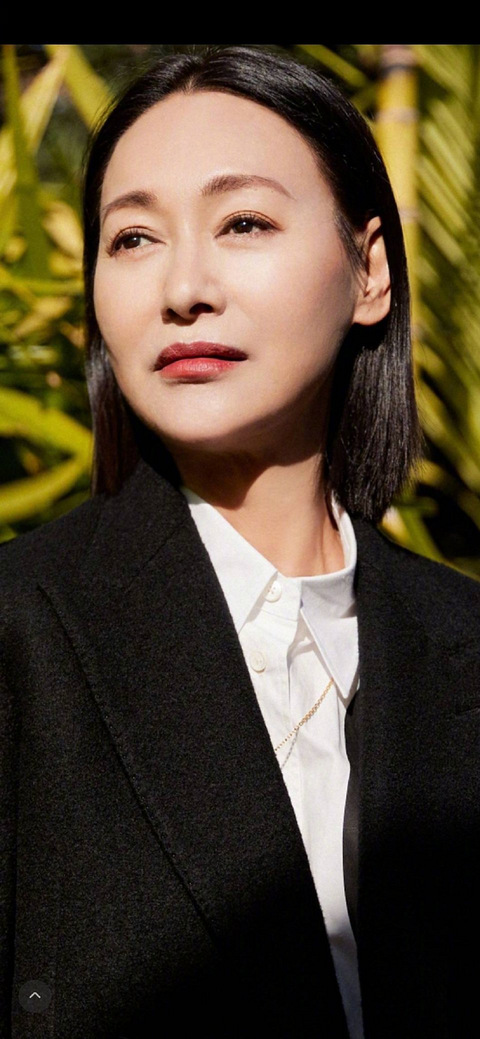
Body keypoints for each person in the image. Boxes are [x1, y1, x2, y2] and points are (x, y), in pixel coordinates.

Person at [0, 45, 478, 1039]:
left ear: (370, 271)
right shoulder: (22, 637)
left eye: (244, 222)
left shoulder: (457, 636)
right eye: (133, 237)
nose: (183, 287)